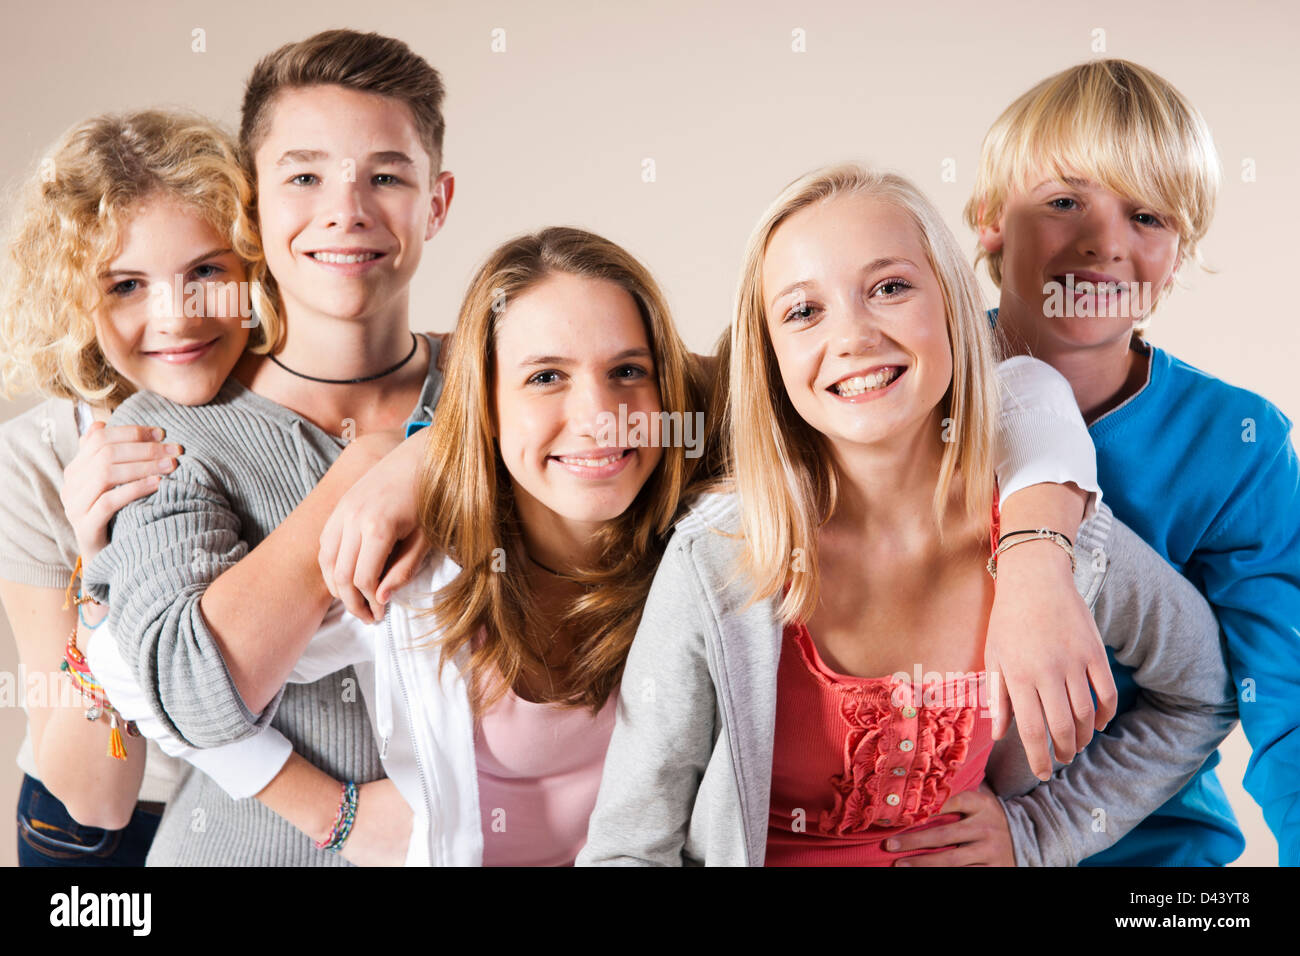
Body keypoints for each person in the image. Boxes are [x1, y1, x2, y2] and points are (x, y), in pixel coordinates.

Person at [578, 164, 1238, 866]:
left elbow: (1200, 694)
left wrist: (1042, 834)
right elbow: (628, 848)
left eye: (890, 288)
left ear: (953, 307)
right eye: (804, 311)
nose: (855, 336)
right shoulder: (718, 560)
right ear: (770, 357)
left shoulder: (1052, 535)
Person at [80, 29, 453, 866]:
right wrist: (364, 468)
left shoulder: (511, 381)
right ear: (253, 202)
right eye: (305, 176)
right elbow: (196, 695)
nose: (346, 210)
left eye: (386, 176)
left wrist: (433, 454)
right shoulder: (169, 429)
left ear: (438, 201)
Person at [965, 58, 1300, 866]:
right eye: (1064, 201)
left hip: (1148, 853)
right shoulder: (903, 385)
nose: (1104, 244)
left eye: (1147, 216)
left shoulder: (1238, 442)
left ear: (1180, 253)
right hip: (924, 830)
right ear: (989, 220)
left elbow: (1283, 701)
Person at [0, 109, 279, 865]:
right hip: (105, 831)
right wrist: (100, 575)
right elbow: (94, 794)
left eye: (207, 272)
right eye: (125, 285)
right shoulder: (28, 465)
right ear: (75, 302)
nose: (175, 319)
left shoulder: (305, 412)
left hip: (271, 821)